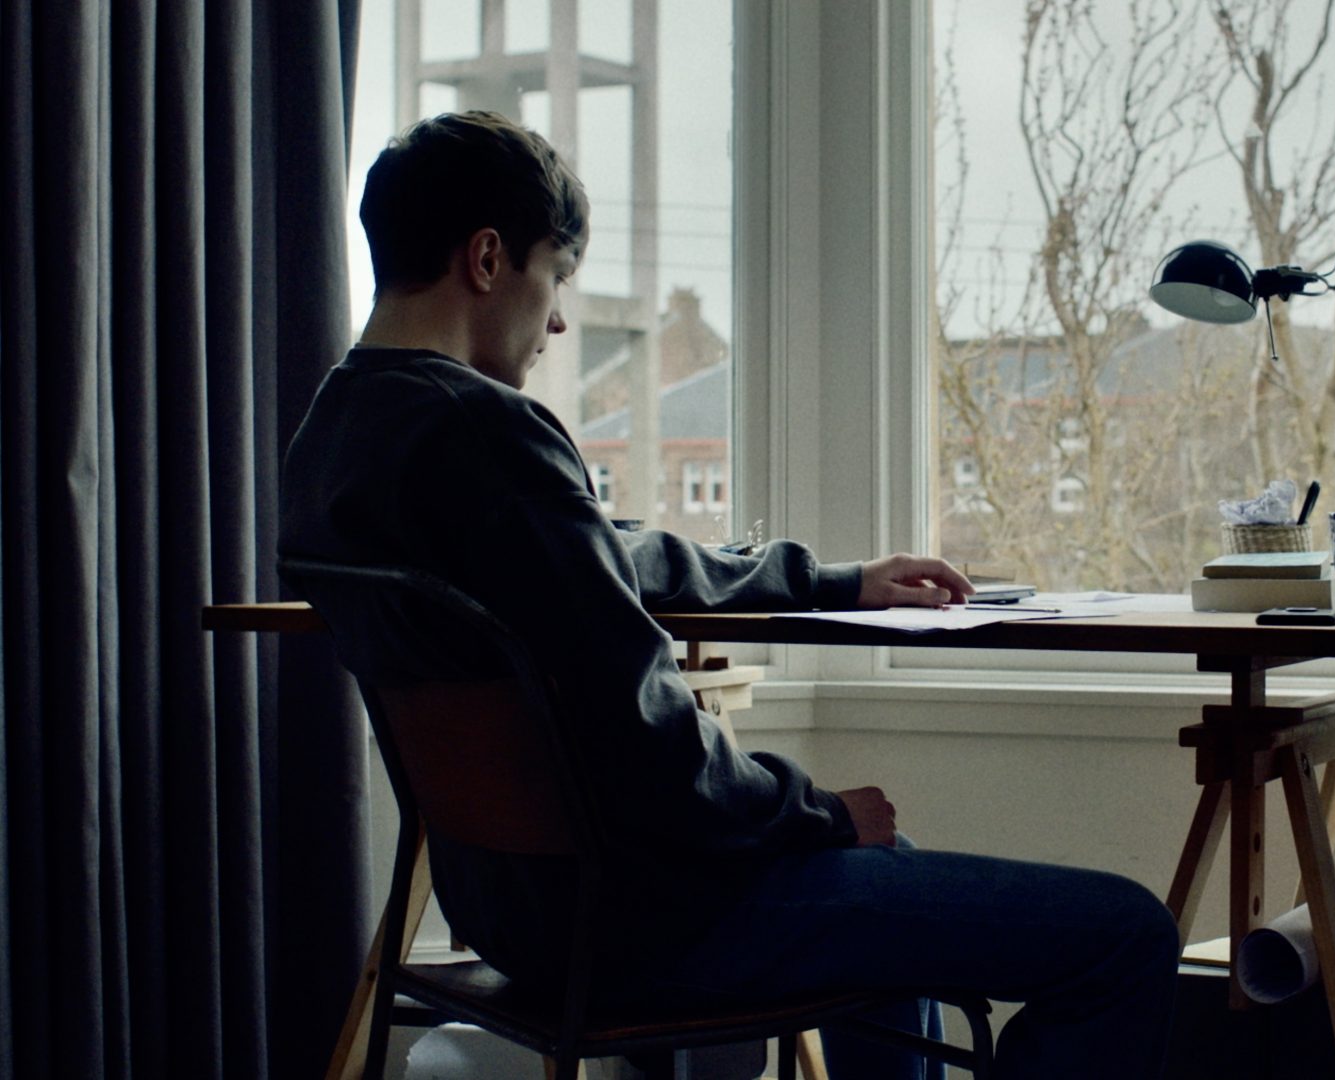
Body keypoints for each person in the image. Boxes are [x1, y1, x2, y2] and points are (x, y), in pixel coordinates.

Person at [279, 110, 1178, 1079]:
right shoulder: (490, 434)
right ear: (489, 258)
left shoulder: (336, 435)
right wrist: (819, 811)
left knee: (886, 878)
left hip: (510, 914)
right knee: (1125, 934)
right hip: (642, 927)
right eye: (557, 277)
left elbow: (604, 557)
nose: (558, 320)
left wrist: (830, 582)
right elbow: (650, 749)